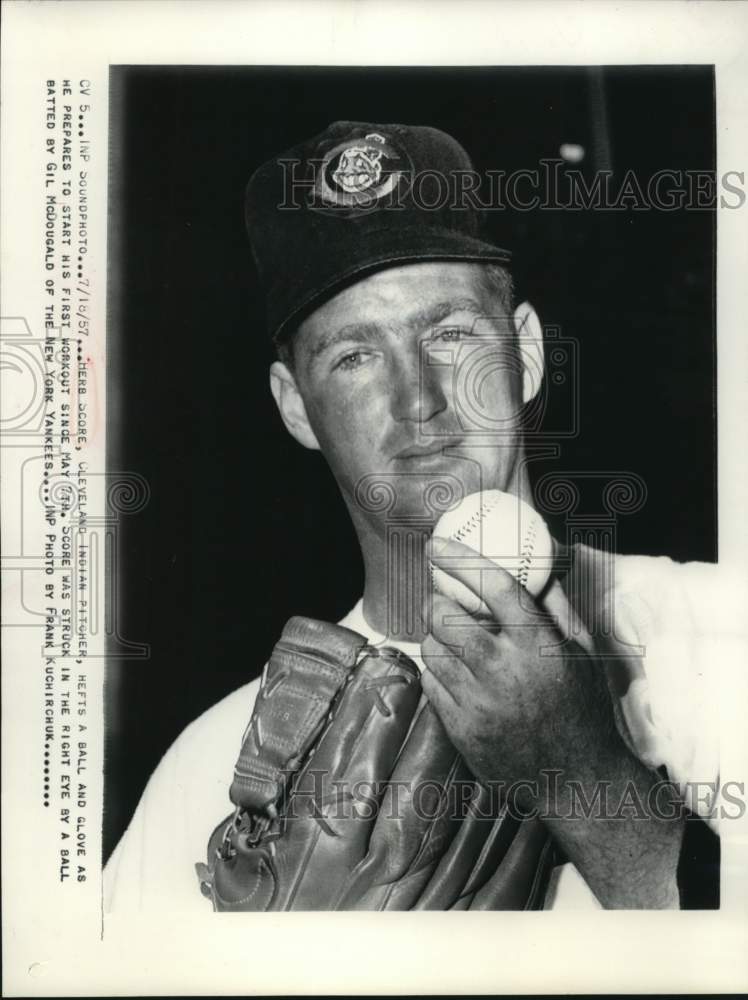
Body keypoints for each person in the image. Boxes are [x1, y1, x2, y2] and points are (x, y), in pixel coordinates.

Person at [105, 121, 731, 912]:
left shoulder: (724, 632)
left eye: (450, 332)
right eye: (354, 356)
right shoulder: (216, 772)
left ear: (527, 351)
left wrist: (584, 779)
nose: (419, 398)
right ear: (296, 408)